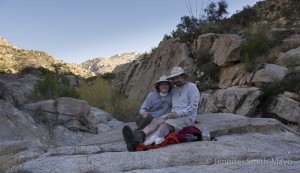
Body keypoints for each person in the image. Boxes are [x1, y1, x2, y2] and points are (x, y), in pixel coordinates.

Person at [122, 66, 200, 151]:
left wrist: (178, 114)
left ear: (184, 76)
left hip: (186, 117)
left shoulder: (192, 87)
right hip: (173, 115)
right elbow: (164, 94)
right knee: (156, 121)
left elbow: (193, 106)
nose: (175, 80)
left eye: (177, 77)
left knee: (163, 126)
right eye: (173, 79)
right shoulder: (174, 89)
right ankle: (139, 137)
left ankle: (142, 145)